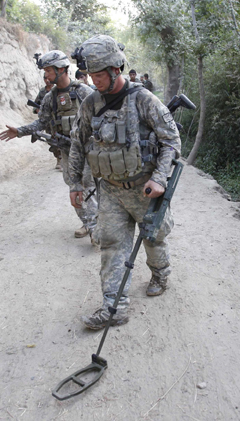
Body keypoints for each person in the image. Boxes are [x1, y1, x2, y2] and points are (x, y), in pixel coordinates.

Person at [69, 35, 181, 329]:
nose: (94, 81)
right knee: (111, 246)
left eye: (99, 74)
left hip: (143, 189)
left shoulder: (143, 99)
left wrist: (159, 178)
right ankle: (114, 308)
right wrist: (75, 184)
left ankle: (160, 274)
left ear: (116, 70)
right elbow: (78, 143)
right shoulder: (91, 103)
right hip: (109, 192)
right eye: (91, 75)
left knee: (153, 239)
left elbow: (171, 140)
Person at [0, 51, 98, 242]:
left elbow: (100, 118)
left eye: (48, 71)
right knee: (73, 186)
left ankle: (95, 229)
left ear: (61, 69)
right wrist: (19, 131)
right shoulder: (49, 98)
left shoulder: (84, 92)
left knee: (88, 186)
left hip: (87, 150)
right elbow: (41, 123)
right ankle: (87, 222)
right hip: (67, 151)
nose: (46, 76)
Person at [34, 76, 61, 170]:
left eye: (48, 78)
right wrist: (38, 110)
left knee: (60, 138)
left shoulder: (57, 90)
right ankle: (58, 158)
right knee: (52, 140)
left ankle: (62, 159)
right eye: (45, 79)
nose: (47, 81)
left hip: (57, 120)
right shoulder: (42, 92)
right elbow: (35, 104)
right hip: (48, 121)